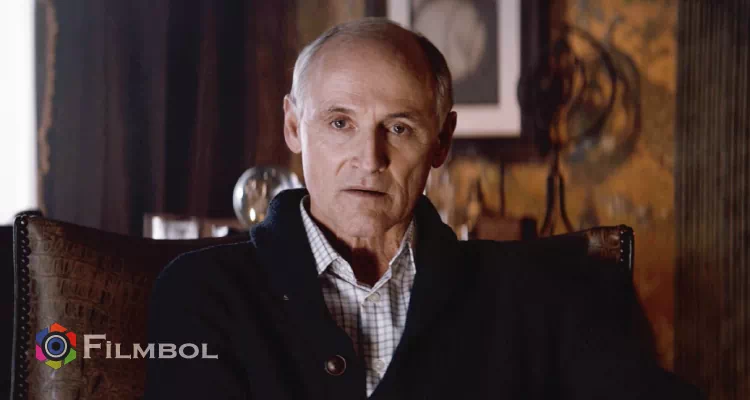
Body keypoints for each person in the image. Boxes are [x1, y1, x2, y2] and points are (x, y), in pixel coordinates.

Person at [145, 18, 702, 399]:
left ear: (441, 141)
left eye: (399, 128)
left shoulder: (534, 292)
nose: (369, 159)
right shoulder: (200, 292)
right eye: (340, 123)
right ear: (294, 126)